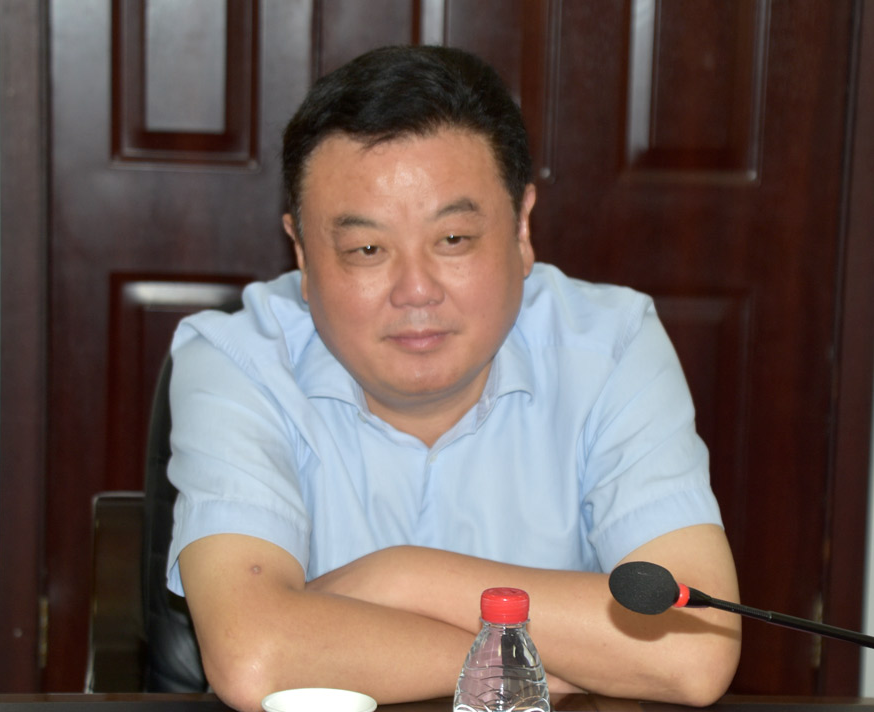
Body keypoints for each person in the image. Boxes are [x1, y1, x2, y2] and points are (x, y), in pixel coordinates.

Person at [166, 45, 741, 712]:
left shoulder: (611, 347)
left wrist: (400, 576)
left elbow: (694, 645)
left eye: (454, 241)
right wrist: (541, 670)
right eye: (367, 250)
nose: (416, 290)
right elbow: (255, 656)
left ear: (522, 228)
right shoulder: (235, 362)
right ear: (300, 252)